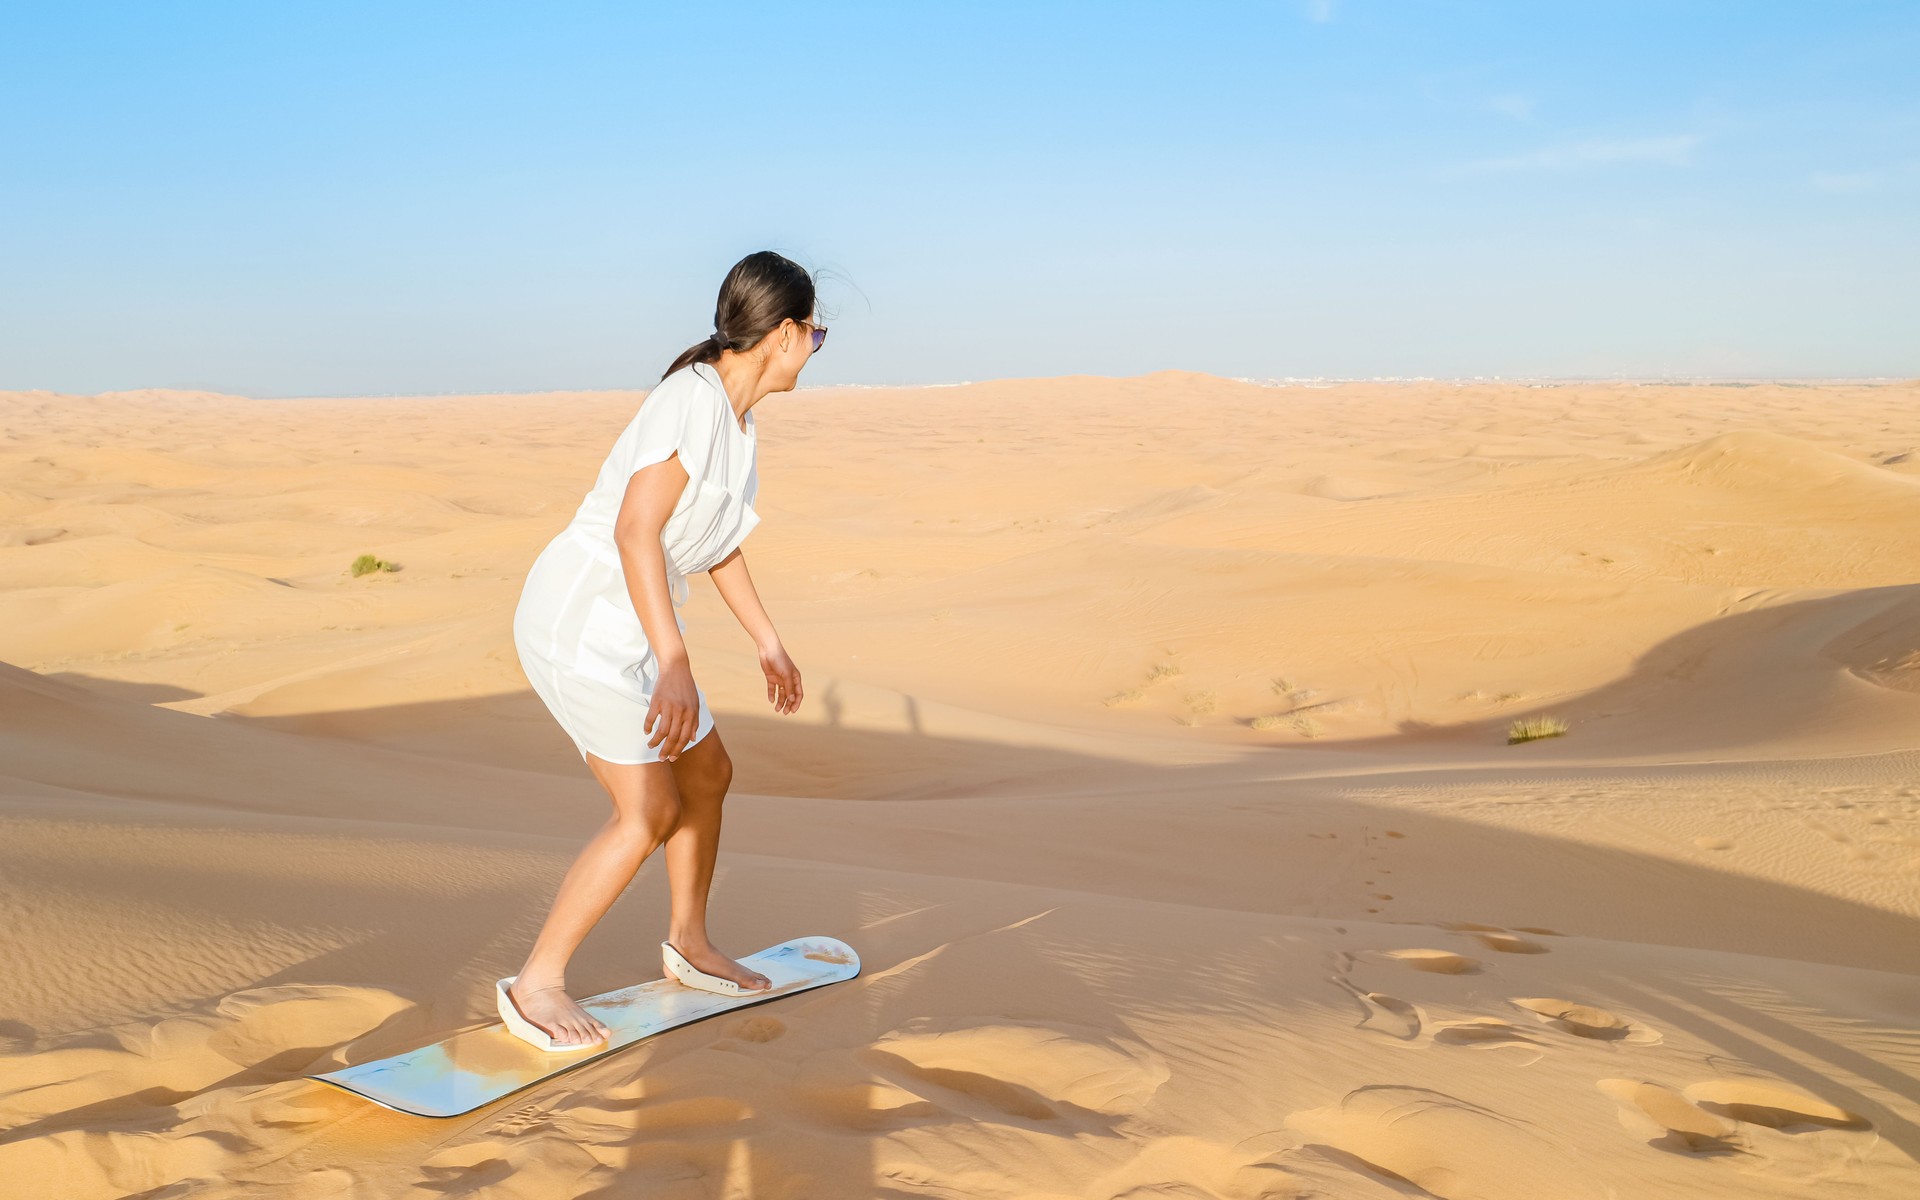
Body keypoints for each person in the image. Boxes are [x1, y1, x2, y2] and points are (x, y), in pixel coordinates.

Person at [499, 250, 827, 1049]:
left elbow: (714, 545)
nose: (815, 348)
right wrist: (675, 663)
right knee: (647, 810)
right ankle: (535, 983)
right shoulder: (691, 399)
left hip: (638, 628)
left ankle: (689, 940)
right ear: (783, 334)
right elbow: (634, 529)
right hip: (579, 623)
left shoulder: (736, 423)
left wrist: (768, 641)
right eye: (815, 334)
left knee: (708, 772)